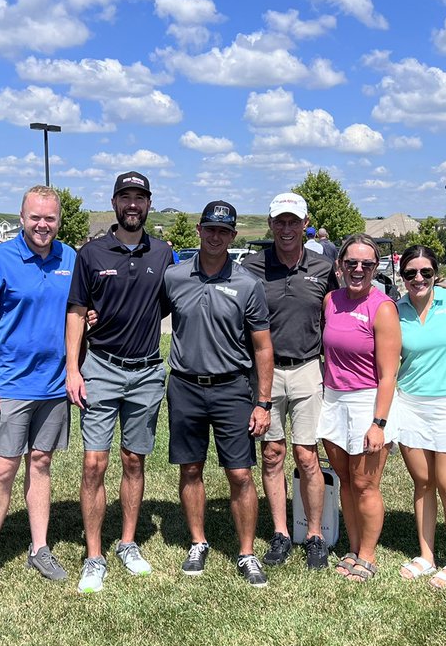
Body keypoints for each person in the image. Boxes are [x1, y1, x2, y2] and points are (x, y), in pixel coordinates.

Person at [0, 186, 77, 594]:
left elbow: (75, 314)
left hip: (53, 385)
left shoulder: (71, 259)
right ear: (22, 217)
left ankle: (40, 547)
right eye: (35, 217)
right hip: (10, 384)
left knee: (41, 462)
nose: (42, 225)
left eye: (50, 218)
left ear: (58, 220)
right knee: (4, 468)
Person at [65, 171, 174, 593]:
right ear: (114, 203)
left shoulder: (164, 253)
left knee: (134, 460)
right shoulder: (91, 254)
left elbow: (168, 303)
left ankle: (127, 542)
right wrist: (73, 368)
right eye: (125, 197)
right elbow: (77, 311)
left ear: (148, 204)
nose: (133, 204)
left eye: (140, 198)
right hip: (101, 368)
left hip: (146, 371)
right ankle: (94, 555)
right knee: (95, 463)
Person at [162, 200, 274, 587]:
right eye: (209, 229)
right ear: (199, 230)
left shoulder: (247, 284)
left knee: (240, 473)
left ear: (233, 236)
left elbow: (262, 347)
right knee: (190, 467)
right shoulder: (174, 277)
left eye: (223, 231)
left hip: (232, 388)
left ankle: (246, 552)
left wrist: (262, 402)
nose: (215, 236)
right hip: (185, 387)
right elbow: (143, 315)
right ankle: (198, 542)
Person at [241, 192, 337, 569]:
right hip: (265, 372)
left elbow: (341, 310)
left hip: (308, 368)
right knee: (272, 454)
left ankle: (314, 534)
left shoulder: (323, 267)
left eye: (293, 222)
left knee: (307, 455)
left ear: (305, 223)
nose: (286, 228)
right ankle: (280, 532)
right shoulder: (251, 267)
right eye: (279, 221)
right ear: (269, 224)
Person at [317, 234, 401, 582]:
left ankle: (367, 555)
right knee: (347, 482)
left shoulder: (382, 307)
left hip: (368, 403)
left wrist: (379, 423)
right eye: (351, 262)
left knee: (366, 484)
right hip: (333, 400)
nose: (358, 269)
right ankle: (353, 547)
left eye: (367, 264)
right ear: (340, 265)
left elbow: (388, 374)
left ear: (376, 267)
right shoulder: (330, 300)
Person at [391, 245, 446, 590]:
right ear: (402, 277)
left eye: (425, 272)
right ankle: (426, 555)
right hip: (411, 404)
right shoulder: (396, 310)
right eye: (410, 273)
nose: (418, 278)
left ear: (436, 273)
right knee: (423, 483)